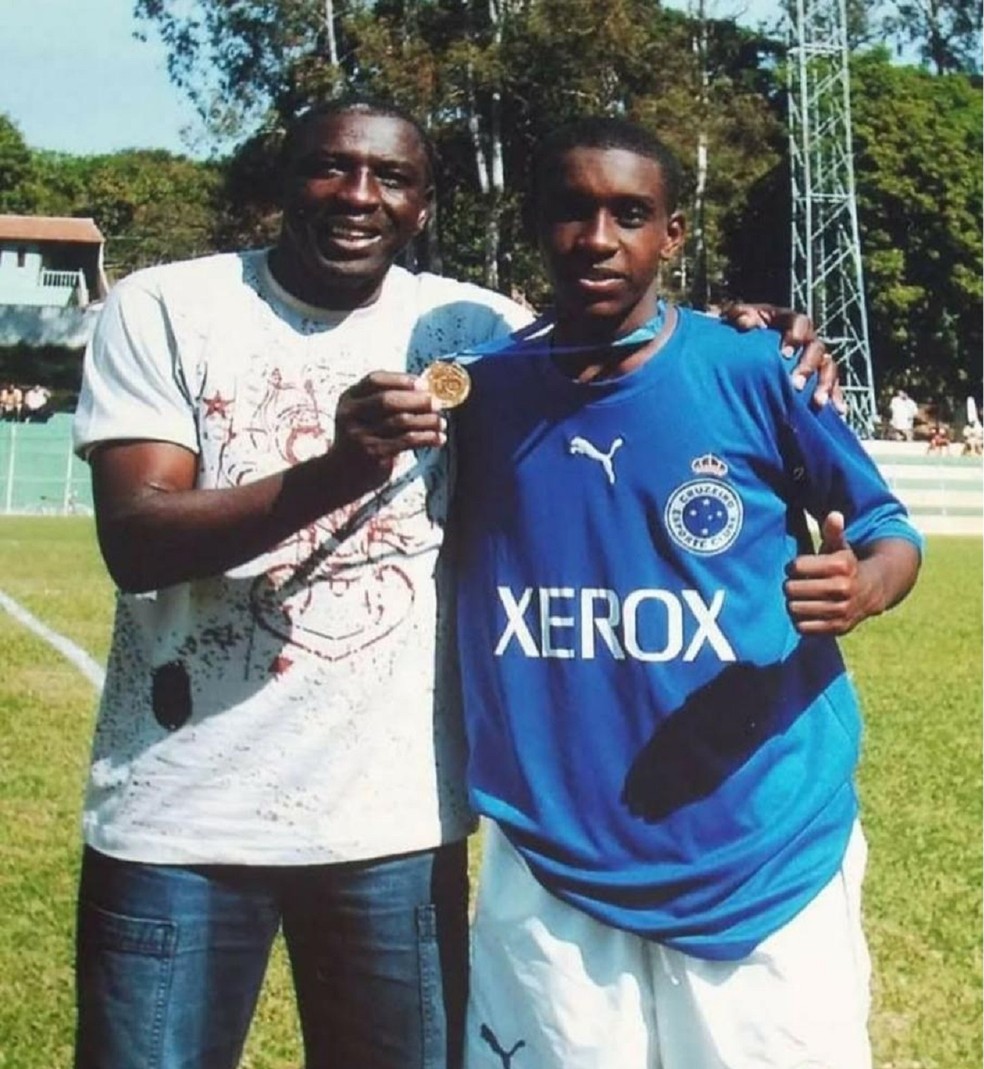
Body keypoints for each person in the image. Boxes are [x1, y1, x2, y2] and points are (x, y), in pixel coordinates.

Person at [71, 98, 837, 1069]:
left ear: (426, 205)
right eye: (330, 168)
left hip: (390, 827)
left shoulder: (473, 328)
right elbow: (136, 541)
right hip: (175, 821)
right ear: (283, 179)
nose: (359, 195)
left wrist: (757, 339)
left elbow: (631, 349)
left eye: (391, 178)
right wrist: (336, 471)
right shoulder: (169, 306)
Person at [449, 118, 923, 1069]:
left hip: (763, 850)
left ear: (672, 234)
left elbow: (887, 529)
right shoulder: (480, 395)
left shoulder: (755, 370)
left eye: (631, 214)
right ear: (538, 222)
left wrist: (863, 585)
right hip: (555, 858)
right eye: (573, 211)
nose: (598, 238)